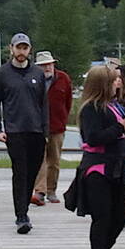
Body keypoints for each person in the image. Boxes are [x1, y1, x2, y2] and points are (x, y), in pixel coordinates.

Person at [66, 62, 125, 249]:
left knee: (120, 216)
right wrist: (121, 127)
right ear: (103, 83)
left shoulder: (115, 106)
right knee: (102, 217)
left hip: (118, 168)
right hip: (97, 169)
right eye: (114, 78)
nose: (119, 81)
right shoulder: (91, 108)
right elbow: (93, 138)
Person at [0, 32, 50, 234]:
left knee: (32, 173)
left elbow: (44, 104)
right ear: (11, 49)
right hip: (15, 131)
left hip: (36, 131)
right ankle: (21, 216)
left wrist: (46, 131)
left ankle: (24, 207)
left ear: (29, 50)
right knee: (20, 172)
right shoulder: (2, 74)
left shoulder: (37, 74)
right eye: (18, 48)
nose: (21, 51)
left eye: (25, 48)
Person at [32, 50, 74, 206]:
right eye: (43, 65)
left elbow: (68, 102)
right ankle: (40, 192)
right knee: (39, 160)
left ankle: (51, 190)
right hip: (37, 127)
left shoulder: (64, 78)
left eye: (49, 64)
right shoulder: (33, 79)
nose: (46, 68)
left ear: (53, 64)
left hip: (57, 127)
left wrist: (63, 119)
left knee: (54, 161)